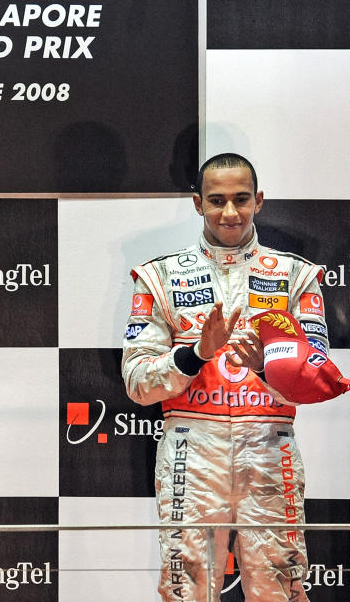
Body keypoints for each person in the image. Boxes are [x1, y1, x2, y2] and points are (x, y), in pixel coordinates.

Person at [122, 153, 327, 601]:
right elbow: (137, 382)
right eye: (216, 200)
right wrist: (196, 353)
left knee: (283, 589)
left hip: (270, 446)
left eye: (241, 199)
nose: (229, 213)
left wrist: (266, 367)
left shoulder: (297, 276)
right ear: (198, 203)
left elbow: (318, 379)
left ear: (260, 201)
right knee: (185, 590)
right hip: (190, 450)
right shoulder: (159, 276)